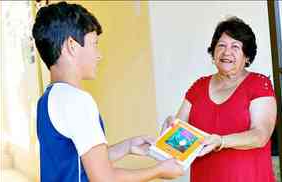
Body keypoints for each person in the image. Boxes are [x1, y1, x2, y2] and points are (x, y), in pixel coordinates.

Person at [33, 2, 184, 182]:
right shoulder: (77, 100)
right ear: (72, 46)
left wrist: (127, 146)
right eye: (94, 44)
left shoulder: (48, 99)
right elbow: (104, 178)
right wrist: (158, 171)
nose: (99, 55)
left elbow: (78, 162)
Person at [162, 16, 277, 182]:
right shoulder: (198, 87)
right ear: (213, 52)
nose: (226, 52)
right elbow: (179, 137)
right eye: (221, 45)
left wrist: (221, 141)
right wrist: (171, 130)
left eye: (235, 46)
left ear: (247, 56)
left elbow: (260, 135)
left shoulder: (258, 84)